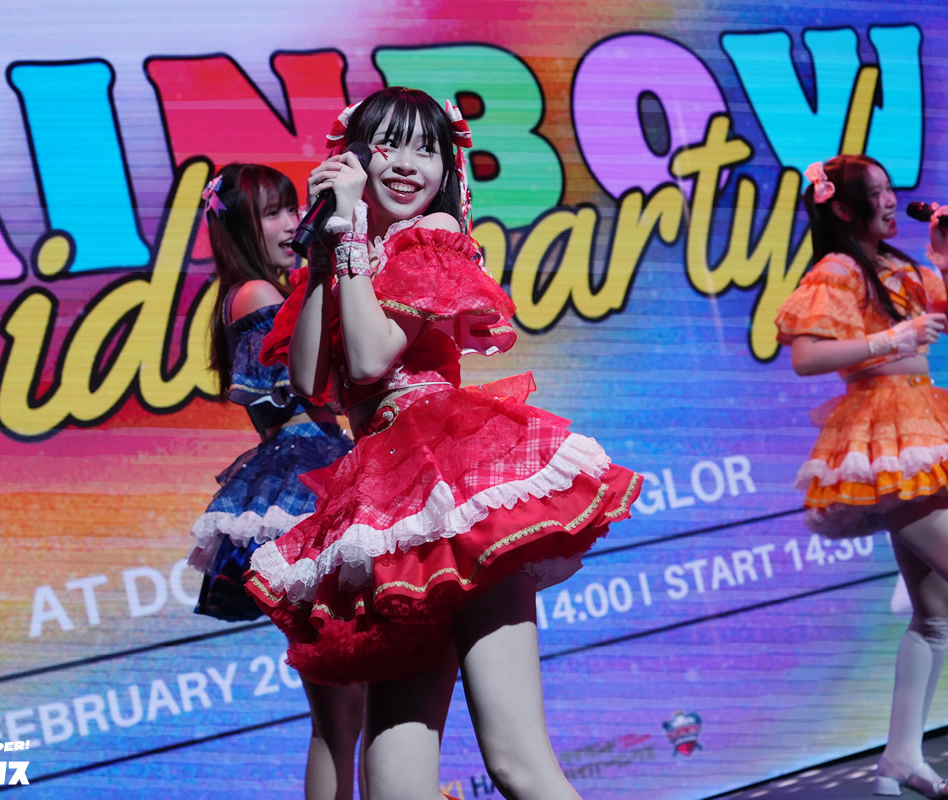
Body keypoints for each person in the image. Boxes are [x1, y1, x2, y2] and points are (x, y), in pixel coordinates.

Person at [245, 87, 642, 800]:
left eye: (426, 150)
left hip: (452, 488)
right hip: (384, 508)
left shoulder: (429, 235)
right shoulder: (346, 250)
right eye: (389, 145)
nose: (408, 164)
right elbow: (312, 384)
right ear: (353, 158)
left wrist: (352, 247)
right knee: (394, 788)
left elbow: (370, 359)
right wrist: (329, 247)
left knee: (517, 763)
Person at [775, 154, 948, 797]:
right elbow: (807, 356)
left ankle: (899, 758)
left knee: (934, 611)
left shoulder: (899, 266)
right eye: (879, 192)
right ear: (841, 207)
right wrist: (890, 341)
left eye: (891, 190)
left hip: (923, 423)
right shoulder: (837, 269)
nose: (892, 201)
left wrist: (947, 264)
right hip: (887, 434)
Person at [186, 163, 363, 800]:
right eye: (273, 213)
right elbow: (312, 386)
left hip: (315, 472)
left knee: (347, 707)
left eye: (293, 208)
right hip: (304, 487)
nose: (292, 223)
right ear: (238, 226)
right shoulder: (257, 294)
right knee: (339, 711)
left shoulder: (262, 289)